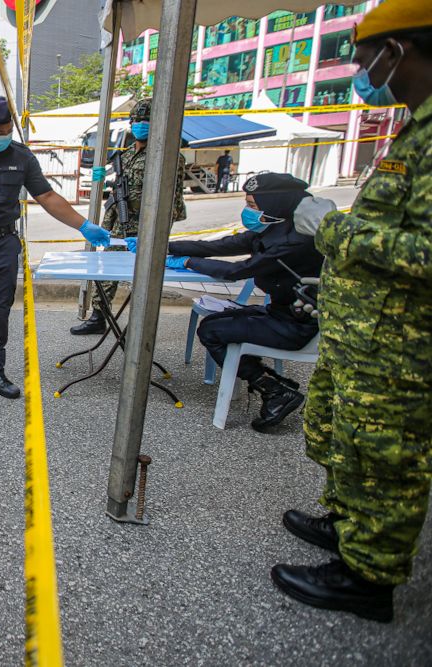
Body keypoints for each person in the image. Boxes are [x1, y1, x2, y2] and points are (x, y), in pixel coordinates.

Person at [271, 1, 432, 623]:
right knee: (351, 440)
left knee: (386, 453)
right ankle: (348, 529)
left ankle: (367, 577)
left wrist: (335, 230)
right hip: (365, 334)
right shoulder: (416, 129)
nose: (363, 74)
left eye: (365, 61)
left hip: (401, 347)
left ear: (400, 51)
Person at [0, 96, 111, 399]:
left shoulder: (21, 156)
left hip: (4, 245)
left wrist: (83, 225)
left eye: (7, 130)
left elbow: (46, 196)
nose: (4, 136)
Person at [161, 173, 323, 432]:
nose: (248, 211)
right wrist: (166, 247)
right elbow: (226, 245)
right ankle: (273, 383)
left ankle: (273, 390)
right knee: (216, 322)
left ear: (277, 204)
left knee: (211, 330)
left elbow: (239, 270)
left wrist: (189, 262)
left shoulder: (295, 241)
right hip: (282, 314)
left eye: (253, 205)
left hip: (297, 326)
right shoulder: (278, 228)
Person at [70, 98, 187, 335]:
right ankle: (99, 316)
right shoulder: (124, 156)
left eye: (145, 121)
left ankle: (141, 322)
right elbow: (117, 192)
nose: (139, 125)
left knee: (143, 274)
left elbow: (172, 199)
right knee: (107, 269)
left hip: (146, 226)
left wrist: (158, 232)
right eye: (136, 120)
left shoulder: (168, 156)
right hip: (121, 222)